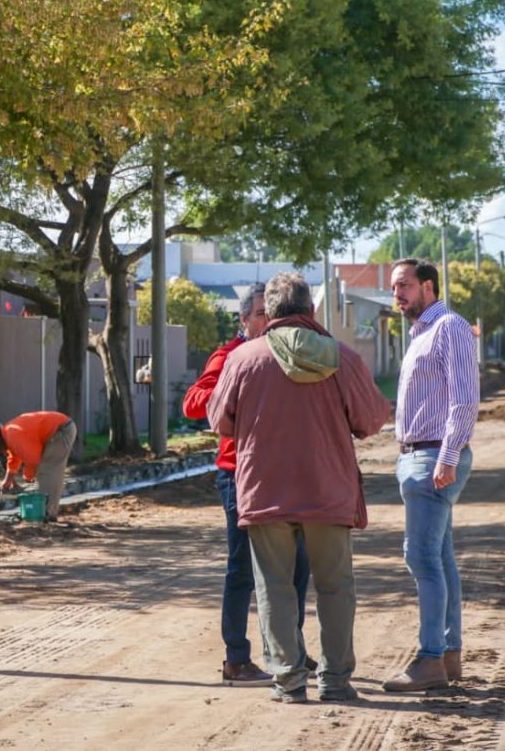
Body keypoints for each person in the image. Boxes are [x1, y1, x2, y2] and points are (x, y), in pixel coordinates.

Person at [209, 272, 389, 703]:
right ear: (311, 311)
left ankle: (289, 681)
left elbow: (221, 422)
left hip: (265, 489)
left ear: (268, 312)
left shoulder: (243, 359)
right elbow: (370, 421)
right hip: (328, 489)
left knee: (274, 586)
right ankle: (336, 681)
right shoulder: (342, 358)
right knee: (335, 587)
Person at [184, 284, 313, 685]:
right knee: (242, 567)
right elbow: (193, 401)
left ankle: (292, 650)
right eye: (259, 313)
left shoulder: (288, 353)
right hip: (237, 472)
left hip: (284, 472)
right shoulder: (228, 356)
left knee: (298, 564)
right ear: (243, 320)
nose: (265, 320)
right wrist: (233, 394)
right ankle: (236, 659)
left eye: (269, 313)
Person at [382, 258, 478, 692]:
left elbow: (464, 400)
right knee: (439, 557)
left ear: (428, 286)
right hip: (420, 455)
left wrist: (448, 455)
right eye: (393, 287)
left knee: (420, 557)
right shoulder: (421, 333)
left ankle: (430, 659)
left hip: (433, 456)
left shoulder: (449, 327)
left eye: (403, 285)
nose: (396, 294)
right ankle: (448, 654)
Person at [0, 411, 76, 521]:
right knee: (46, 471)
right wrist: (8, 480)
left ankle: (47, 513)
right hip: (59, 428)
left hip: (61, 430)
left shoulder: (13, 435)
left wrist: (28, 474)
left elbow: (34, 459)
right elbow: (15, 457)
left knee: (47, 471)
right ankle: (45, 512)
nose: (1, 453)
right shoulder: (8, 433)